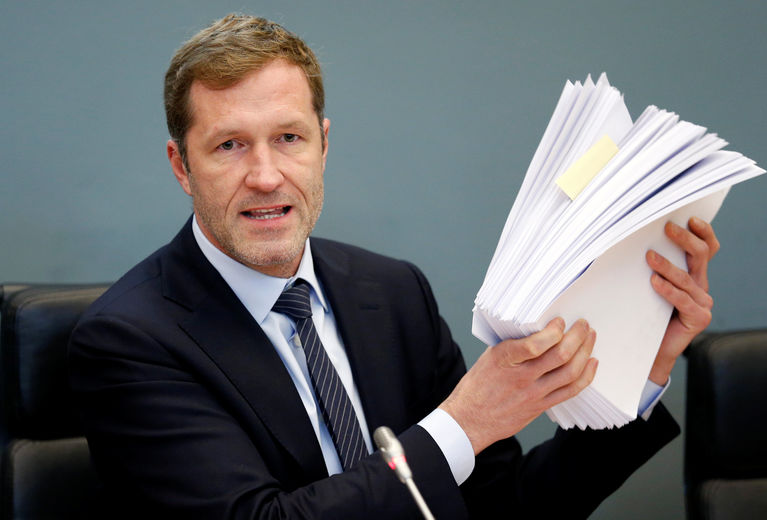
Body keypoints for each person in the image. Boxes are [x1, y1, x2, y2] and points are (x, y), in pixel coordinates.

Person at [69, 14, 719, 519]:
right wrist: (465, 423)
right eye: (229, 146)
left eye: (289, 139)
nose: (266, 176)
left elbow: (500, 506)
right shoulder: (128, 339)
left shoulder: (392, 291)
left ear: (325, 145)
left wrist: (644, 366)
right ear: (182, 166)